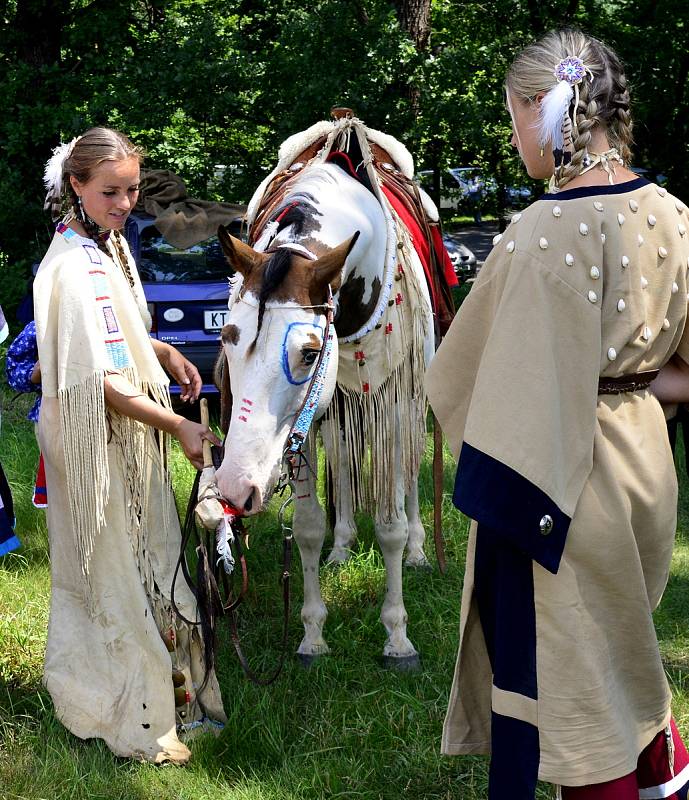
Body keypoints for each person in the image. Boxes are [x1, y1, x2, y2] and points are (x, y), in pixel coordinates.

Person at [426, 29, 689, 800]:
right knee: (629, 661)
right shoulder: (672, 214)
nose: (512, 139)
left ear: (547, 110)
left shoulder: (545, 229)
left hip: (566, 487)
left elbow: (484, 381)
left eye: (512, 118)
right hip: (644, 468)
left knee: (581, 705)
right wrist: (630, 387)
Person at [35, 127, 226, 764]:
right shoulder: (70, 263)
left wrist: (164, 352)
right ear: (76, 188)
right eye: (110, 191)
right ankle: (128, 707)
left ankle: (172, 689)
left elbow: (124, 341)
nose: (124, 202)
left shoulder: (110, 246)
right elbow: (100, 381)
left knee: (152, 553)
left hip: (126, 431)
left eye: (133, 188)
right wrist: (175, 424)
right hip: (94, 438)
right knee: (114, 567)